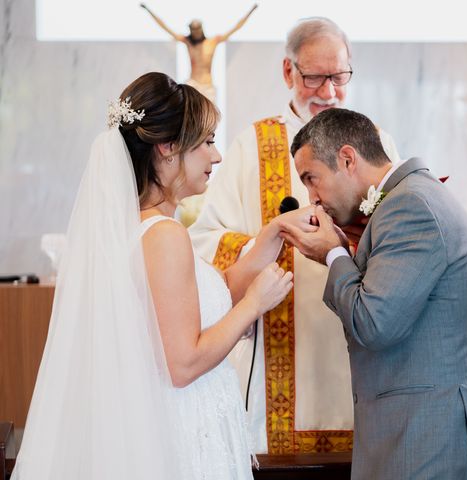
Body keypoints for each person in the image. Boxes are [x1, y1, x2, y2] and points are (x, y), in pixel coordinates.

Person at [11, 72, 315, 479]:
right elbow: (183, 364)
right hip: (182, 433)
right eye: (207, 141)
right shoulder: (165, 236)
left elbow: (206, 297)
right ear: (169, 148)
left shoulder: (144, 227)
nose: (217, 156)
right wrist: (254, 305)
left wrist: (271, 234)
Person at [189, 17, 401, 455]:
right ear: (288, 72)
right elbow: (207, 239)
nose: (328, 91)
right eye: (314, 77)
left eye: (339, 77)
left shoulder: (374, 141)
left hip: (362, 337)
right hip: (282, 354)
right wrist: (269, 244)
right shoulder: (255, 143)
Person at [280, 108, 467, 479]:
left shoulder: (409, 206)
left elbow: (375, 323)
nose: (312, 197)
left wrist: (332, 253)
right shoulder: (409, 197)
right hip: (418, 426)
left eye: (311, 178)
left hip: (427, 436)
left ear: (347, 159)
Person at [140, 3, 258, 102]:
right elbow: (165, 27)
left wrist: (251, 11)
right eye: (194, 30)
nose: (196, 32)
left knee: (209, 116)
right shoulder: (188, 41)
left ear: (202, 29)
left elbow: (236, 27)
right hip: (193, 83)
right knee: (190, 114)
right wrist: (149, 10)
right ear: (190, 30)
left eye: (198, 29)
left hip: (208, 85)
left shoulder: (212, 42)